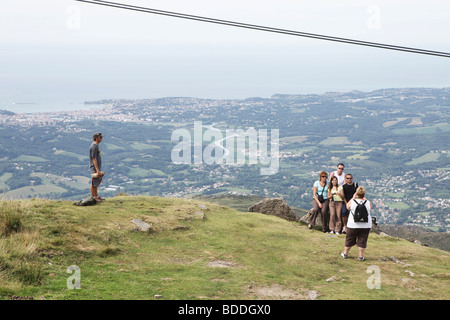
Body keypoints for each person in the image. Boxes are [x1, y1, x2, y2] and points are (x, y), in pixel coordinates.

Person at [340, 186, 372, 261]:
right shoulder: (368, 202)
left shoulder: (352, 202)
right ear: (364, 194)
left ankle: (345, 253)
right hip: (365, 225)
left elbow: (347, 207)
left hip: (353, 224)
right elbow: (370, 207)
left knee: (349, 239)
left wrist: (353, 197)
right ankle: (360, 256)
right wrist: (364, 198)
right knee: (362, 240)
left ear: (356, 193)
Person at [89, 132, 105, 202]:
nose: (101, 138)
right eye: (100, 137)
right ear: (96, 137)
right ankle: (94, 197)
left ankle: (96, 196)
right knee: (94, 182)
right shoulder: (94, 146)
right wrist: (97, 170)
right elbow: (94, 158)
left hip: (97, 167)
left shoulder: (96, 146)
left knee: (96, 182)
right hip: (95, 167)